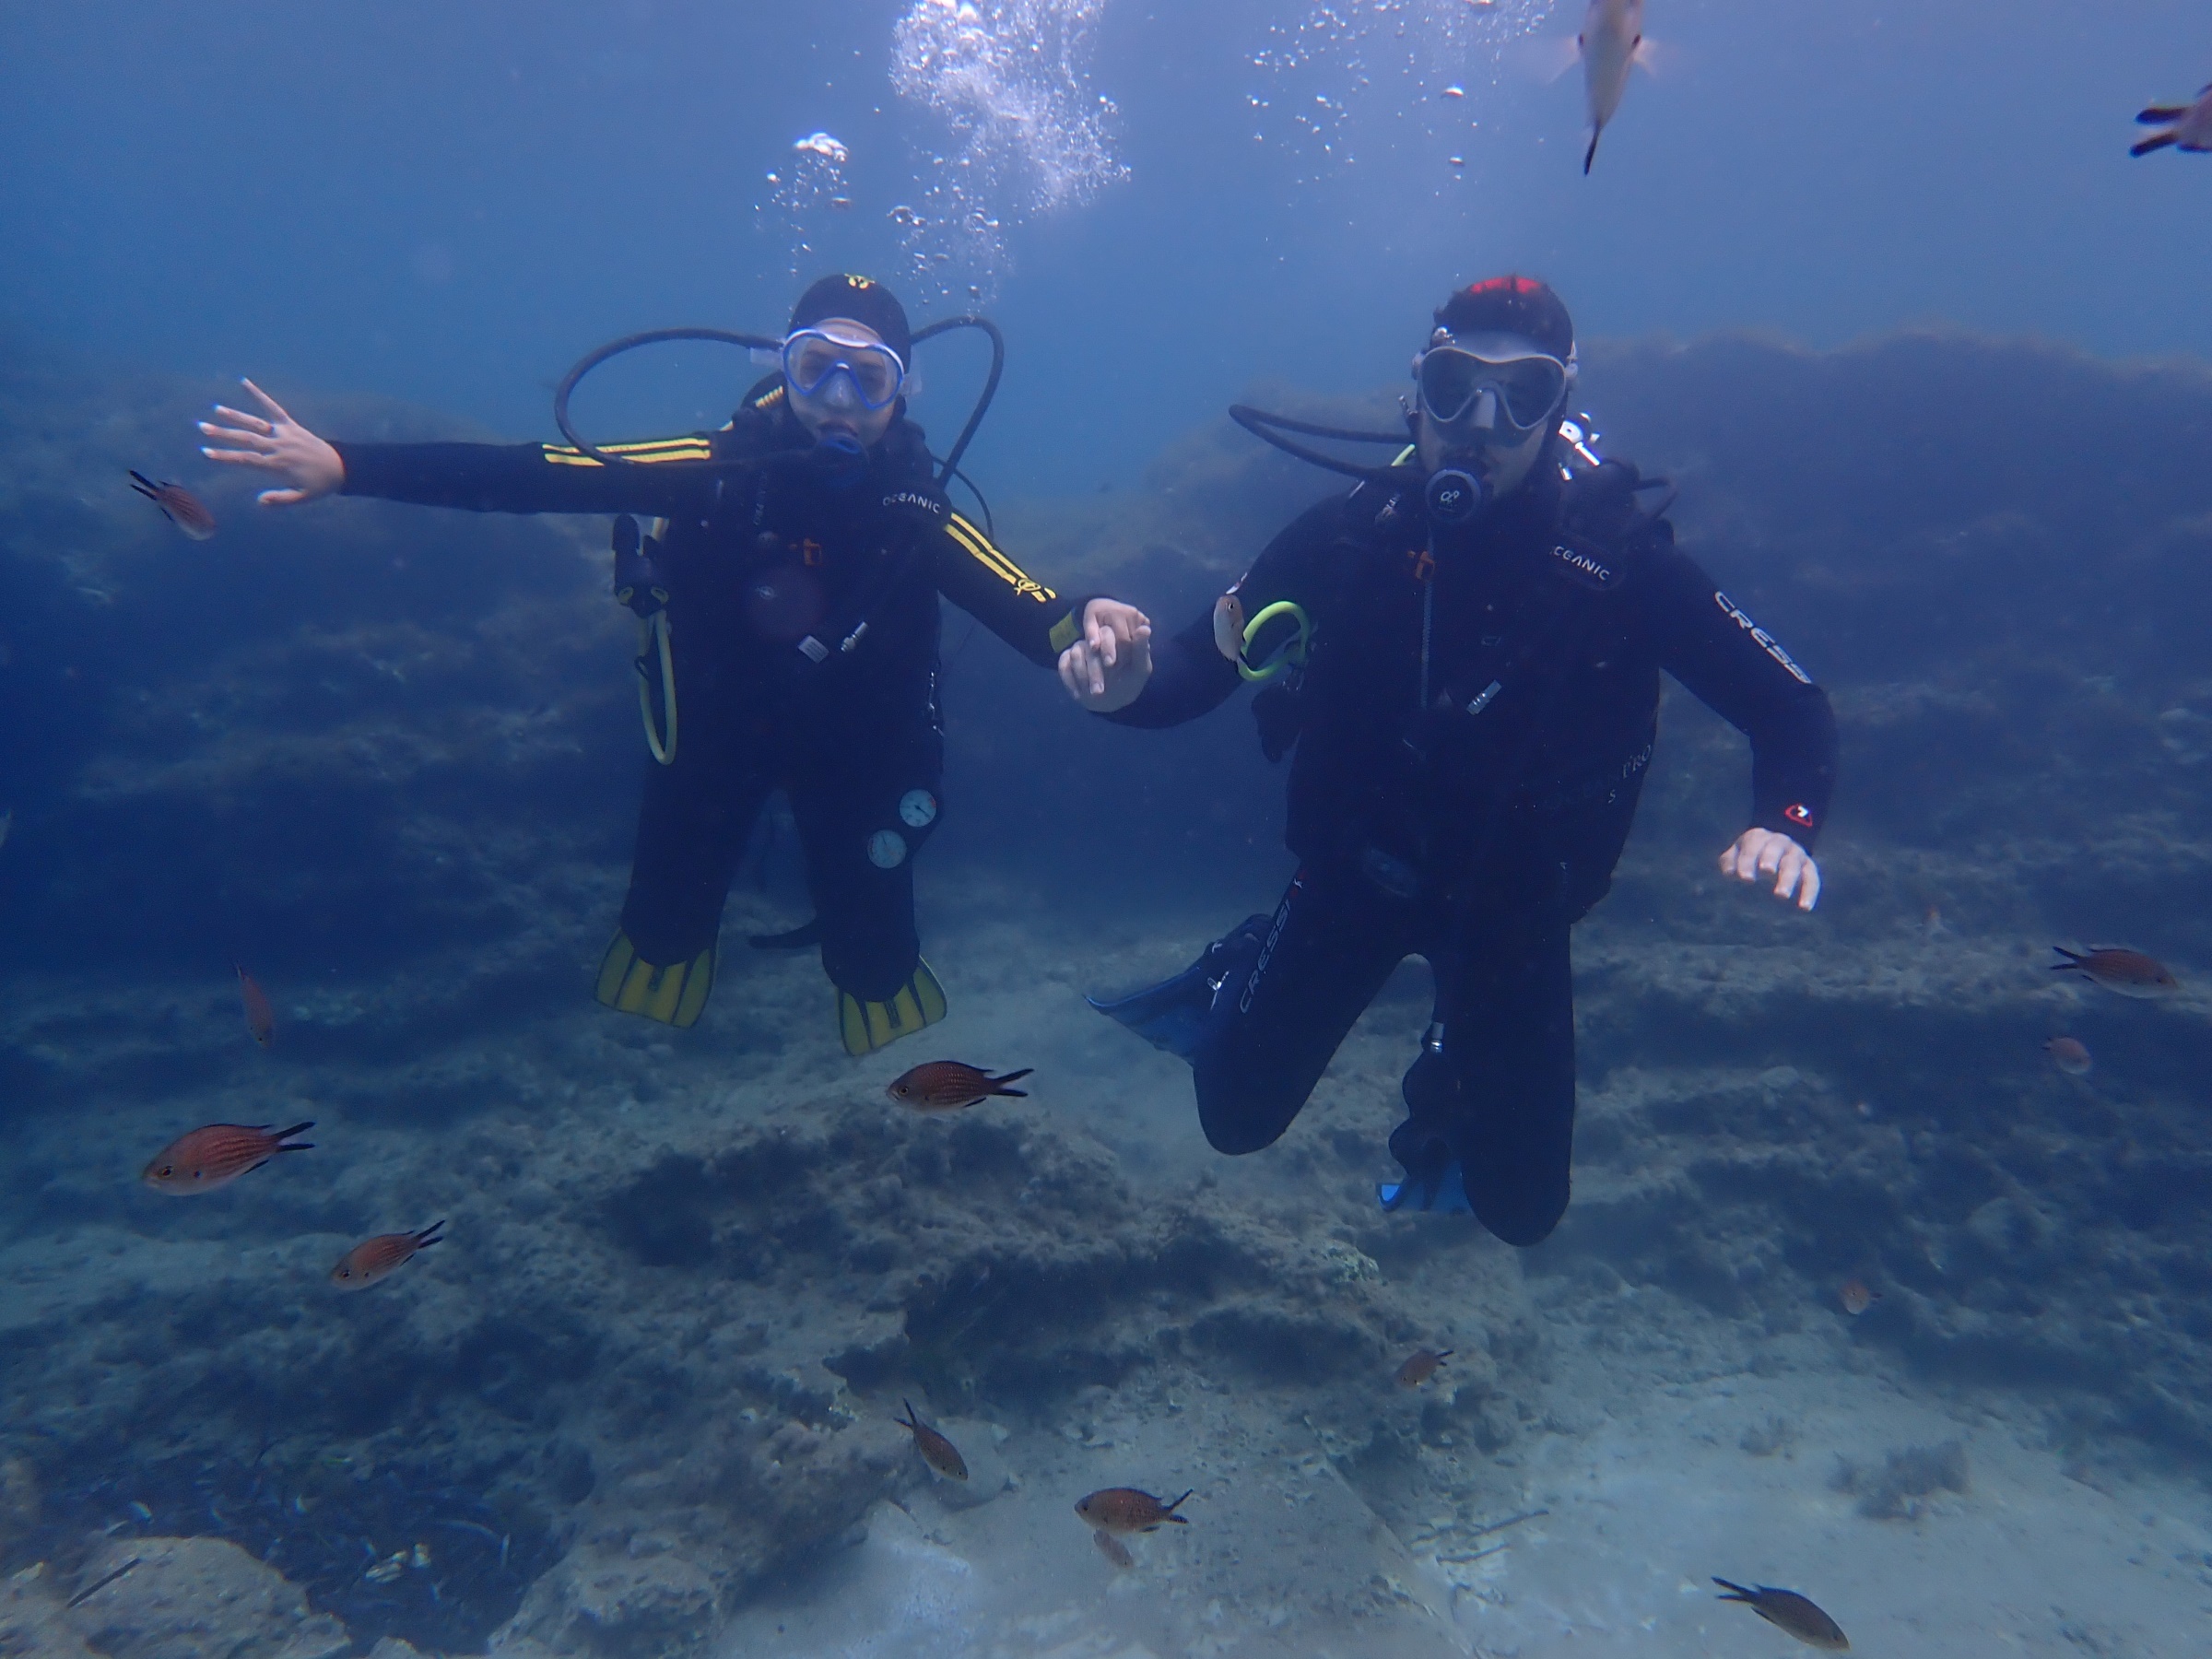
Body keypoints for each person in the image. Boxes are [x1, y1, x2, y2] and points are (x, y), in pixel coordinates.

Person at [200, 273, 1152, 1055]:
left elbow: (1030, 608)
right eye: (816, 368)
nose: (839, 402)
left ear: (902, 395)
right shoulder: (714, 467)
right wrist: (347, 464)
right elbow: (534, 476)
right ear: (780, 373)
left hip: (863, 761)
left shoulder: (914, 515)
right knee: (659, 940)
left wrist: (1093, 630)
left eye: (870, 380)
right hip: (714, 741)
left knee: (877, 969)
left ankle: (888, 1050)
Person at [1076, 276, 1836, 1247]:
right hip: (1354, 872)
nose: (1480, 423)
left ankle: (1453, 1060)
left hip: (1513, 909)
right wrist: (1125, 687)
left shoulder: (1625, 565)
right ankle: (1239, 968)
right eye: (1453, 387)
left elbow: (1792, 708)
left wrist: (1789, 821)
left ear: (1557, 407)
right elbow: (1188, 671)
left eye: (1518, 396)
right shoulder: (1350, 536)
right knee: (1234, 1122)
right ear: (1414, 393)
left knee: (1521, 1211)